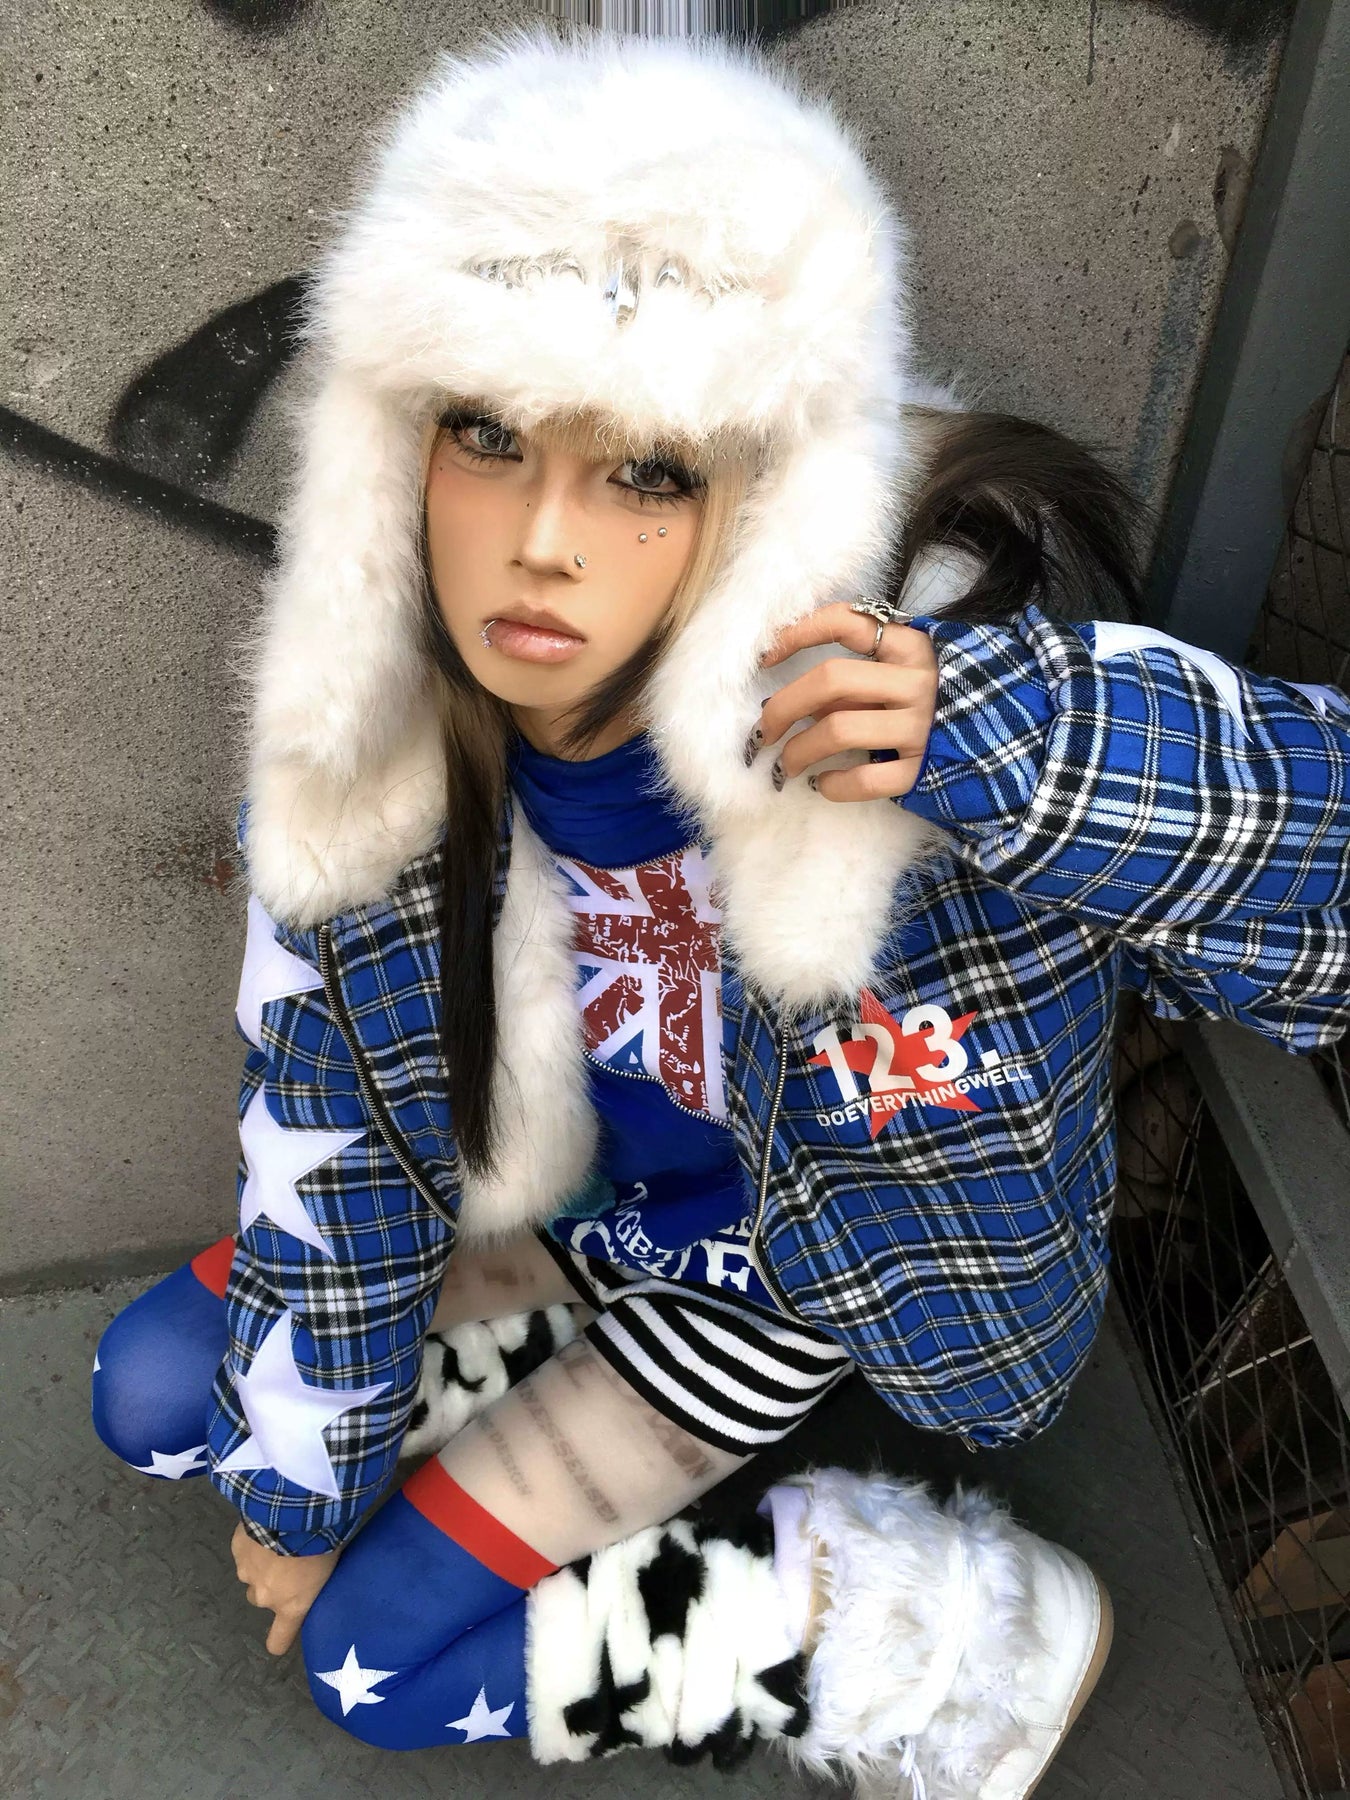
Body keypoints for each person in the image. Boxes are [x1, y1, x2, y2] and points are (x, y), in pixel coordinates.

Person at [90, 25, 1350, 1798]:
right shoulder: (374, 754)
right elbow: (341, 1144)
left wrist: (1005, 741)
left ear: (758, 481)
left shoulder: (924, 691)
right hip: (553, 1213)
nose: (541, 540)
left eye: (645, 469)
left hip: (768, 1283)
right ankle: (470, 1425)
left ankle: (910, 1615)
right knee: (157, 1401)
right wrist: (302, 1495)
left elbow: (1323, 865)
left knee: (380, 1677)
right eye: (484, 434)